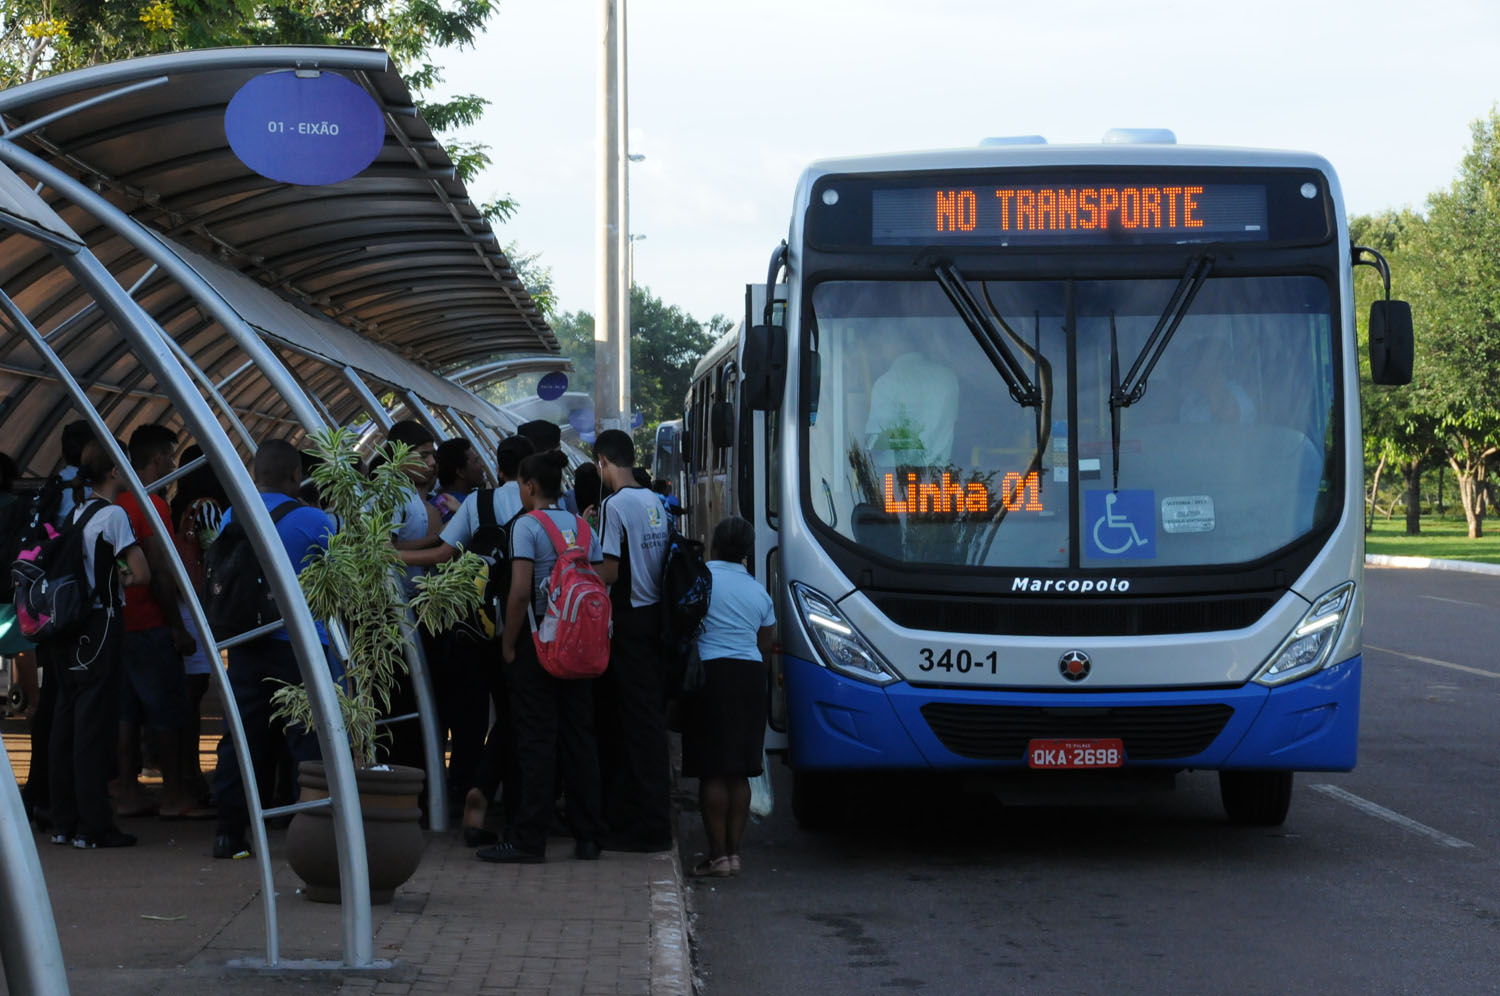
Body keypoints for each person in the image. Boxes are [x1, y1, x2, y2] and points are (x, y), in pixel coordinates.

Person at [399, 434, 535, 838]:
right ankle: (513, 797)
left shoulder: (479, 502)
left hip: (473, 625)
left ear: (499, 466)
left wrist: (393, 554)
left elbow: (444, 553)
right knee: (516, 715)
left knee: (470, 716)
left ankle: (462, 789)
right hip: (523, 625)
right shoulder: (542, 505)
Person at [211, 439, 337, 859]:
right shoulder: (315, 521)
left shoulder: (234, 514)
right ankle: (313, 833)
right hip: (300, 646)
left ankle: (230, 831)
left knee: (243, 739)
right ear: (296, 475)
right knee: (308, 741)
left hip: (248, 642)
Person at [479, 449, 604, 863]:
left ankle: (529, 838)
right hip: (580, 649)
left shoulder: (527, 526)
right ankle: (588, 837)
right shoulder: (584, 529)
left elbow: (519, 593)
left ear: (529, 486)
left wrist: (509, 643)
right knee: (580, 739)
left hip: (538, 644)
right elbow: (598, 586)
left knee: (536, 741)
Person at [50, 438, 150, 849]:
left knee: (66, 723)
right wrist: (121, 577)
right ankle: (95, 826)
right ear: (113, 472)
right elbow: (140, 572)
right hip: (102, 625)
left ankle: (64, 821)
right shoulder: (114, 515)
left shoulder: (76, 513)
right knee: (94, 728)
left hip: (68, 628)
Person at [113, 424, 203, 819]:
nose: (173, 462)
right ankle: (173, 794)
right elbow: (161, 569)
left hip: (119, 623)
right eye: (170, 455)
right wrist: (177, 627)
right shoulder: (153, 505)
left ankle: (128, 793)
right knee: (167, 711)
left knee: (126, 714)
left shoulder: (115, 502)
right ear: (156, 460)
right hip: (149, 623)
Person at [592, 428, 673, 852]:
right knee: (646, 726)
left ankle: (646, 828)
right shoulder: (656, 501)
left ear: (603, 462)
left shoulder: (615, 505)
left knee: (632, 729)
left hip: (628, 623)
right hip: (656, 620)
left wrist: (573, 569)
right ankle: (652, 820)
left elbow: (610, 570)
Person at [682, 517, 774, 878]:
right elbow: (766, 643)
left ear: (715, 545)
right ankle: (734, 854)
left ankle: (717, 855)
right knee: (739, 772)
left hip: (710, 675)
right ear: (747, 552)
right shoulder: (758, 591)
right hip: (749, 677)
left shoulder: (700, 578)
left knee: (712, 771)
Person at [863, 348, 960, 470]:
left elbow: (876, 443)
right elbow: (955, 425)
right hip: (941, 476)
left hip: (895, 478)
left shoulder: (887, 383)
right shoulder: (948, 378)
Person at [432, 437, 485, 523]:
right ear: (460, 472)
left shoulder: (431, 505)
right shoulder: (473, 506)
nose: (482, 464)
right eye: (476, 461)